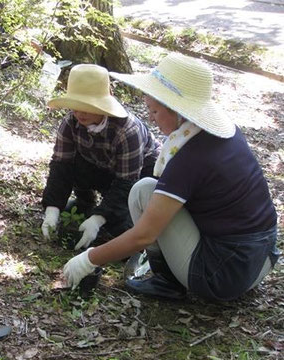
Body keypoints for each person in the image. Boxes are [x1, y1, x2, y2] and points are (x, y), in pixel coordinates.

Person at [62, 53, 279, 302]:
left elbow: (144, 235)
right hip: (260, 260)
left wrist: (89, 259)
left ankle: (167, 281)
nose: (150, 118)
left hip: (222, 275)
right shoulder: (220, 135)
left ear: (178, 111)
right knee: (147, 188)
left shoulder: (190, 156)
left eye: (154, 110)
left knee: (143, 192)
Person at [41, 64, 160, 250]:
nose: (80, 113)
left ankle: (105, 217)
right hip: (101, 166)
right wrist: (52, 209)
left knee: (122, 230)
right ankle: (85, 203)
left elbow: (127, 182)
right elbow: (61, 167)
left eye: (87, 107)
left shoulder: (127, 131)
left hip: (139, 174)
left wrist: (99, 219)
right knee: (72, 163)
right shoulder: (70, 124)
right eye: (76, 106)